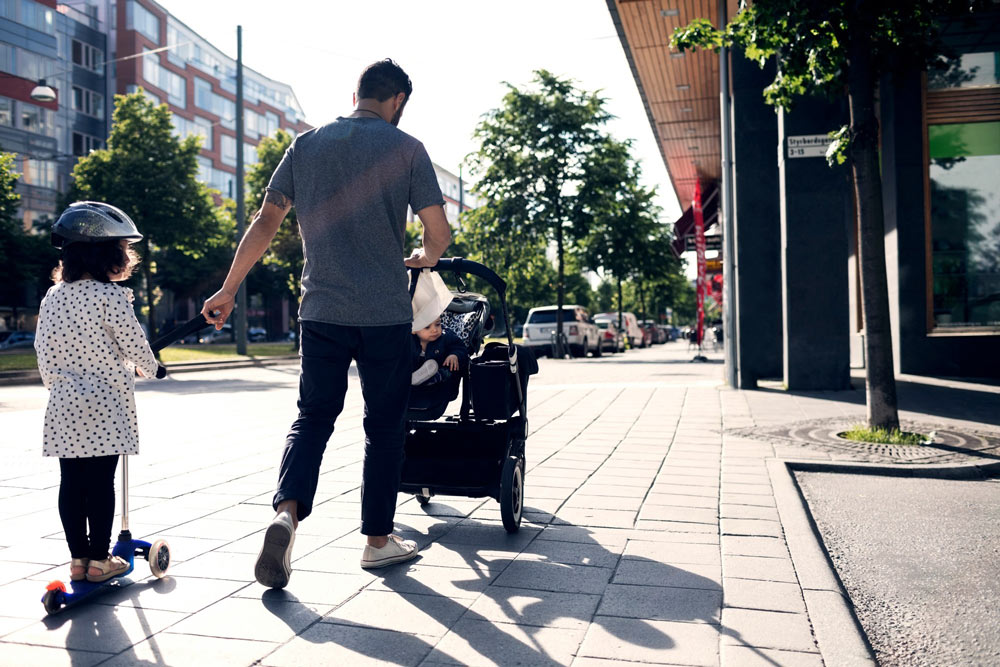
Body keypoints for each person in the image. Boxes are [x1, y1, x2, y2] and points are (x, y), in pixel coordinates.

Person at [202, 59, 451, 587]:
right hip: (384, 314)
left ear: (355, 93)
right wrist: (424, 258)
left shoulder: (306, 144)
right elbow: (438, 232)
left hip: (320, 310)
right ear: (399, 100)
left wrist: (228, 289)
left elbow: (266, 221)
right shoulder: (407, 149)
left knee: (313, 416)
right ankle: (378, 542)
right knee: (384, 426)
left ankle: (286, 513)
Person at [34, 202, 161, 583]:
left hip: (65, 403)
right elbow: (134, 344)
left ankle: (77, 559)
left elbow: (44, 348)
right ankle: (99, 559)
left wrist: (56, 384)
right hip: (106, 404)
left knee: (71, 482)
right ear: (107, 255)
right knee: (101, 483)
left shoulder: (52, 297)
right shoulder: (111, 297)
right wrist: (153, 368)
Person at [411, 317, 468, 386]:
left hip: (441, 376)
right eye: (427, 327)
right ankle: (415, 378)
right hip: (416, 373)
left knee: (452, 365)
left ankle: (436, 377)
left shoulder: (446, 337)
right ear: (413, 329)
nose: (435, 330)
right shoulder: (409, 342)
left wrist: (454, 355)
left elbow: (460, 348)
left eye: (438, 324)